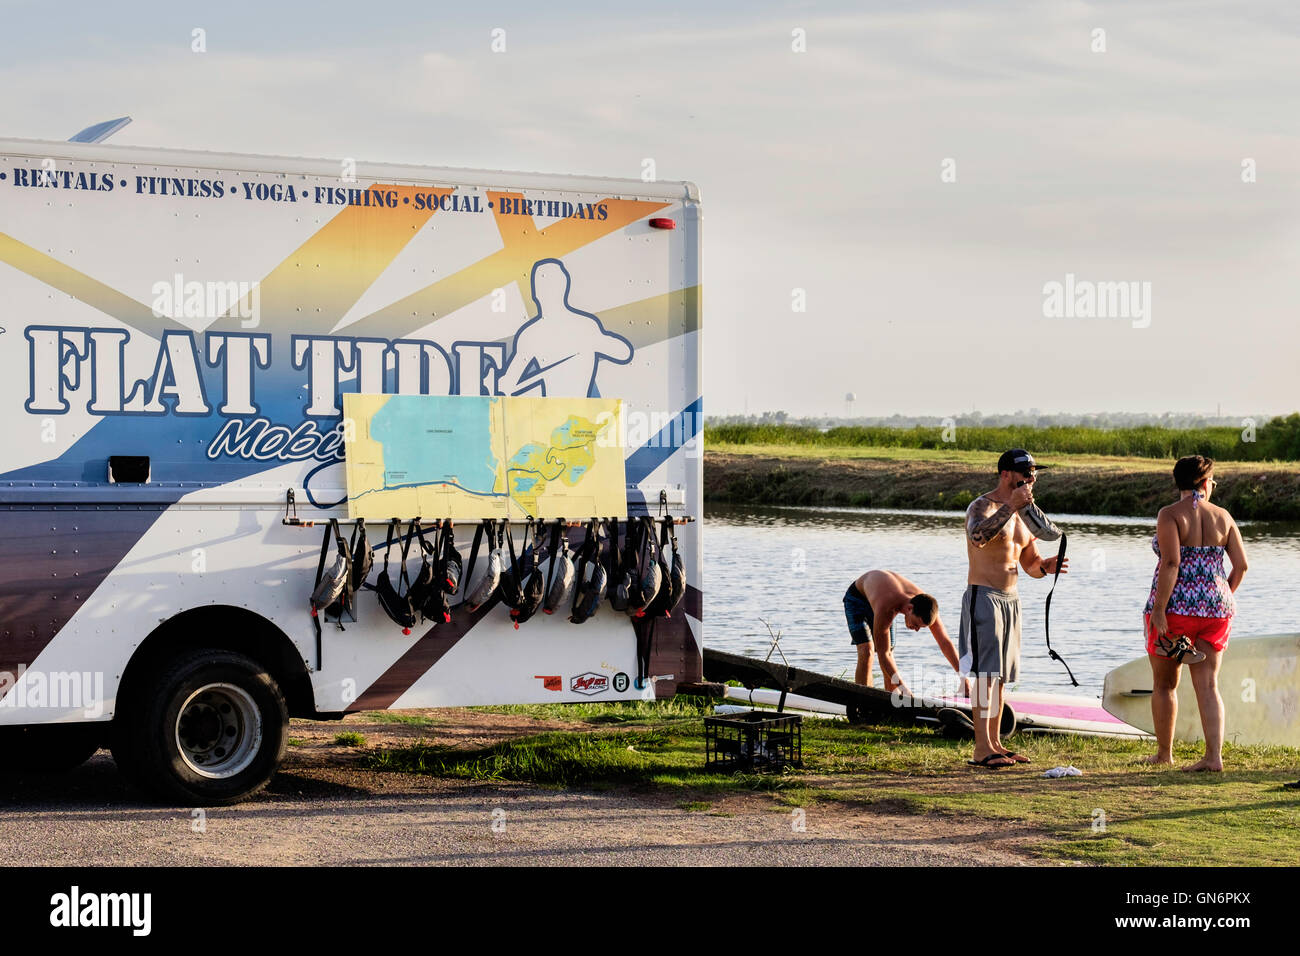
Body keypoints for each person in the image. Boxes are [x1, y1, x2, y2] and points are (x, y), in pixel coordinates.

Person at [961, 450, 1068, 768]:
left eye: (1035, 473)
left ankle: (995, 744)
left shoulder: (1025, 515)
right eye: (1026, 473)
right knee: (984, 676)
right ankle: (981, 749)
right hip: (984, 597)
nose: (1032, 479)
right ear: (1006, 474)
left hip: (1012, 599)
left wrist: (1045, 567)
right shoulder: (982, 505)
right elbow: (978, 536)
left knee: (1002, 677)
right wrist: (1012, 506)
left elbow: (1029, 563)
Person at [1142, 455, 1247, 772]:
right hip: (1216, 609)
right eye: (1212, 481)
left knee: (1164, 684)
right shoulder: (1223, 517)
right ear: (1204, 483)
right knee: (1209, 685)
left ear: (1180, 483)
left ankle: (1164, 754)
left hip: (1175, 608)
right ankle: (1213, 758)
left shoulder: (1170, 515)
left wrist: (1160, 610)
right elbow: (1241, 566)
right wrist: (1221, 594)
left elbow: (1171, 563)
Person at [843, 570, 970, 700]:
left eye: (921, 627)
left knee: (890, 654)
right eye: (915, 624)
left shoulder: (927, 606)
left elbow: (945, 643)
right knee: (867, 651)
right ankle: (862, 703)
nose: (916, 630)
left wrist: (964, 680)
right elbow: (883, 654)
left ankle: (892, 702)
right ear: (909, 609)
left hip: (882, 595)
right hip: (858, 599)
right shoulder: (887, 607)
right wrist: (904, 688)